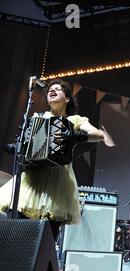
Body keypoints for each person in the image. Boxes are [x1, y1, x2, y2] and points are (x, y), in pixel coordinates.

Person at [0, 79, 105, 240]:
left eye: (58, 89)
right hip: (32, 179)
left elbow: (98, 135)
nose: (52, 91)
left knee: (47, 236)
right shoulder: (38, 117)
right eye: (50, 90)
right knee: (19, 232)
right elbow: (28, 142)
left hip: (57, 180)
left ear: (67, 98)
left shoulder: (74, 120)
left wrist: (75, 135)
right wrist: (16, 146)